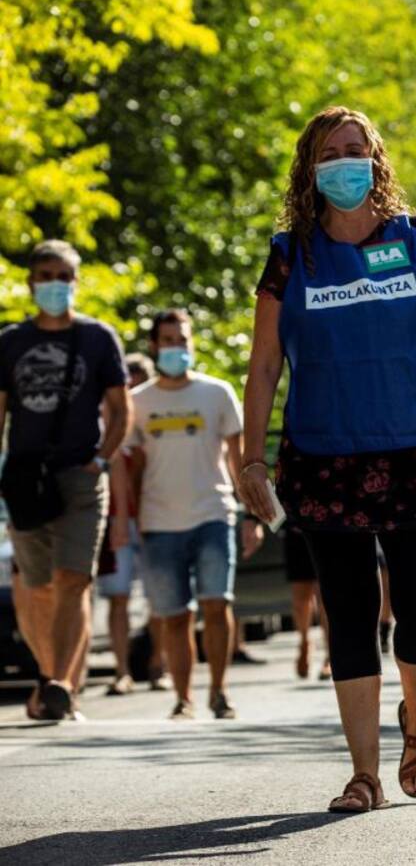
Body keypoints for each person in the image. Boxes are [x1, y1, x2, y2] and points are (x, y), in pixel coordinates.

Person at [239, 106, 416, 812]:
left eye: (356, 149)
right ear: (310, 167)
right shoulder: (291, 252)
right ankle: (364, 773)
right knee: (348, 612)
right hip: (325, 457)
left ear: (378, 158)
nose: (345, 161)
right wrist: (251, 459)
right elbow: (264, 364)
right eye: (331, 152)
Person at [0, 240, 131, 721]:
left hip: (81, 474)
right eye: (45, 275)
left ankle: (60, 682)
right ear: (32, 282)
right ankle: (51, 675)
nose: (55, 283)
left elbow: (122, 410)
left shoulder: (98, 338)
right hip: (25, 478)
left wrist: (100, 460)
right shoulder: (10, 342)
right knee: (36, 587)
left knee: (73, 579)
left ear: (76, 281)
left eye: (64, 276)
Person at [130, 309, 261, 720]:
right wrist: (128, 521)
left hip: (213, 513)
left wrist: (252, 516)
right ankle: (184, 698)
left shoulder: (216, 393)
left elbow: (241, 462)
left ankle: (219, 691)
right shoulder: (138, 401)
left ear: (192, 343)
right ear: (154, 346)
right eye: (167, 340)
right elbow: (128, 469)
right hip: (159, 521)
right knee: (174, 615)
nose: (176, 348)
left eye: (182, 340)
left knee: (215, 603)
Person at [96, 353, 159, 696]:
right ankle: (122, 671)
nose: (131, 388)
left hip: (156, 519)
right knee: (117, 597)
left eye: (137, 381)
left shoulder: (155, 415)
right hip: (117, 520)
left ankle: (157, 664)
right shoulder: (108, 422)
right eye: (126, 381)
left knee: (160, 600)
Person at [284, 526, 331, 681]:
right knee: (301, 598)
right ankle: (304, 642)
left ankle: (331, 656)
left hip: (326, 527)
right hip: (296, 528)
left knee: (325, 597)